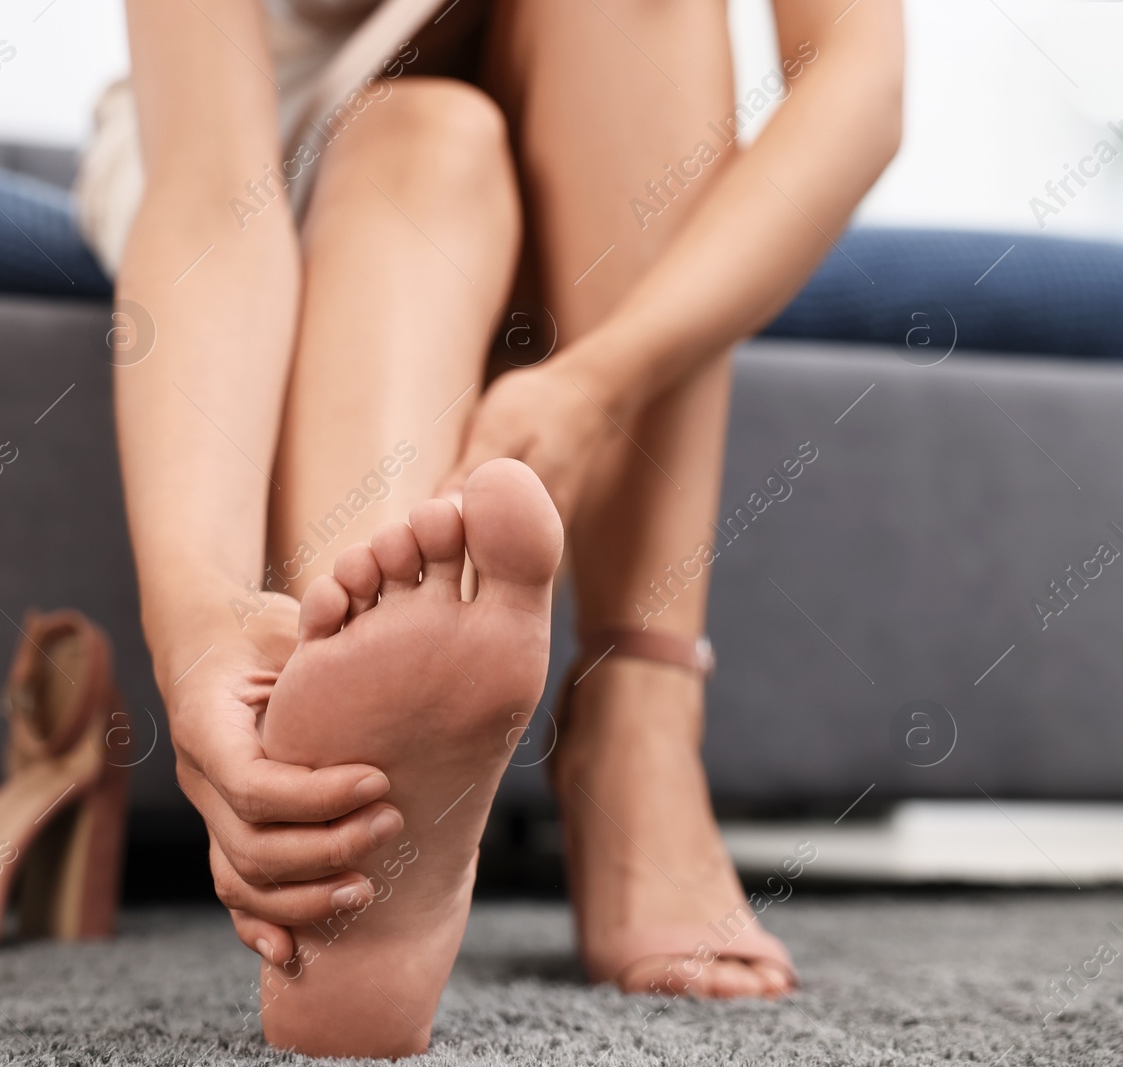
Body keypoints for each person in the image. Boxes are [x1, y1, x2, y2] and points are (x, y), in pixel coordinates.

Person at [95, 0, 902, 1054]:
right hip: (297, 151)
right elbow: (212, 197)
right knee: (429, 137)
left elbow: (860, 83)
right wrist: (197, 614)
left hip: (603, 177)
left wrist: (603, 382)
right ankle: (355, 771)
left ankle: (626, 727)